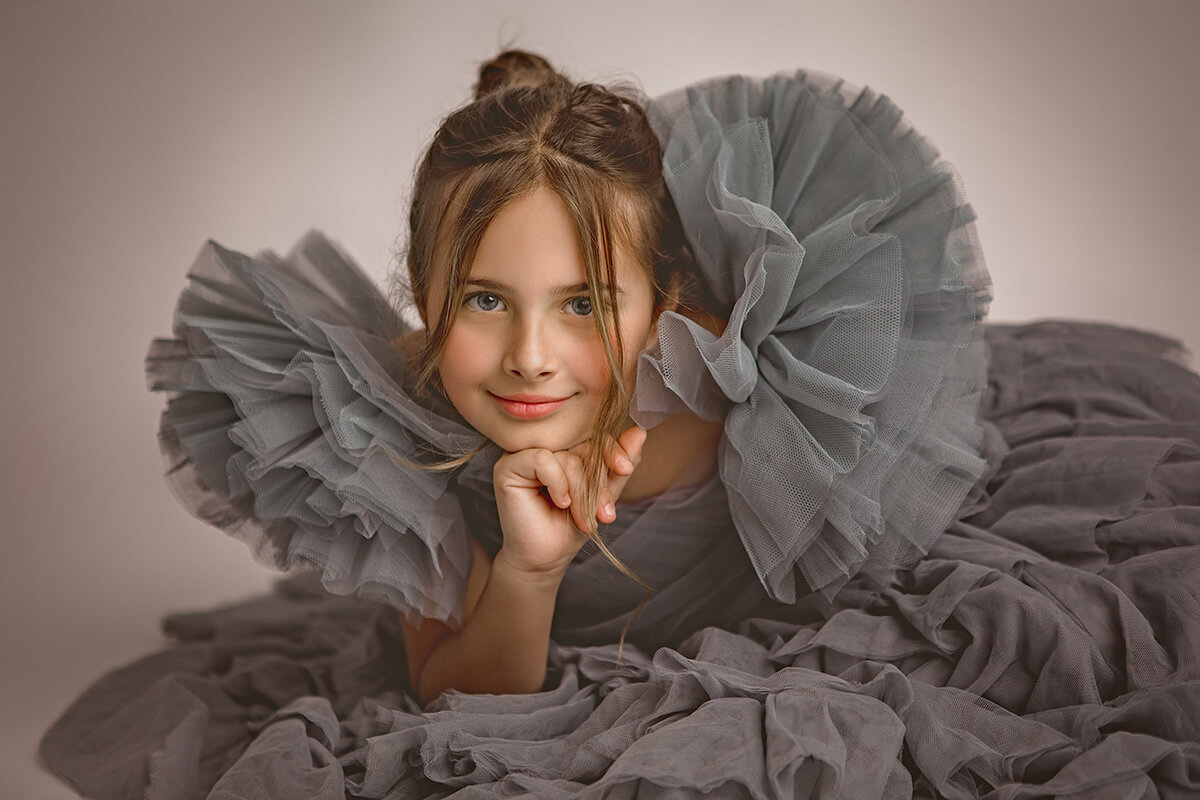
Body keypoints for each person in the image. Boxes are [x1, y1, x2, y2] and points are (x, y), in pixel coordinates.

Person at [41, 50, 1200, 799]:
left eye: (586, 304)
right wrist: (528, 571)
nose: (533, 356)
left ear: (667, 307)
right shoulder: (403, 449)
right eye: (485, 302)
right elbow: (450, 696)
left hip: (935, 507)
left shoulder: (759, 396)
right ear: (425, 300)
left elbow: (873, 544)